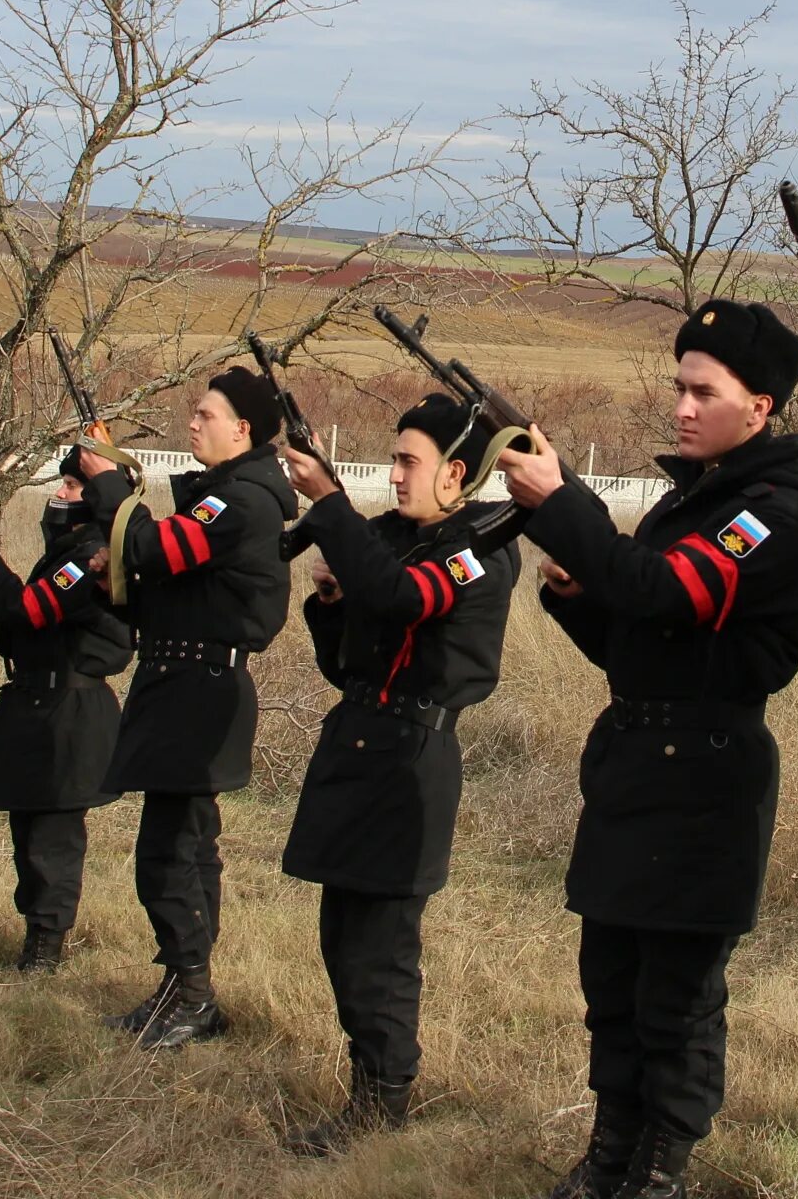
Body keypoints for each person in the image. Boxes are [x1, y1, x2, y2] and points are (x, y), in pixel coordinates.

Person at [497, 300, 798, 1199]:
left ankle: (660, 1168)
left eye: (701, 391)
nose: (680, 406)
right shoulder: (699, 496)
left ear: (759, 408)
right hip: (640, 764)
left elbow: (668, 592)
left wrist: (567, 509)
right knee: (612, 981)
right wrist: (575, 592)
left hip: (707, 781)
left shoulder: (768, 513)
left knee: (676, 996)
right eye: (678, 386)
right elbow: (638, 646)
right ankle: (612, 1147)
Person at [272, 393, 519, 1155]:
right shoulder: (397, 542)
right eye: (395, 459)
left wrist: (331, 505)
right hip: (360, 742)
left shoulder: (479, 546)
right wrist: (329, 603)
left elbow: (405, 599)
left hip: (411, 761)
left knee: (381, 945)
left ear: (455, 472)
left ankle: (383, 1104)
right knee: (342, 933)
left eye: (409, 462)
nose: (396, 474)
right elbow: (348, 662)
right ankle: (366, 1089)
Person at [95, 366, 297, 1048]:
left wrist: (107, 489)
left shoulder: (241, 500)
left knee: (170, 851)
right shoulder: (231, 493)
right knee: (185, 847)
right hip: (184, 684)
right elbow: (161, 578)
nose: (192, 422)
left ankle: (192, 992)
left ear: (242, 430)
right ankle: (184, 987)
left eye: (205, 415)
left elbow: (155, 546)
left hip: (198, 693)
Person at [0, 449, 139, 972]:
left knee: (52, 839)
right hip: (38, 703)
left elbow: (30, 610)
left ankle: (46, 948)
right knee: (27, 834)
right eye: (63, 483)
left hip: (70, 714)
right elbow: (41, 633)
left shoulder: (91, 552)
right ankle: (35, 935)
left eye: (74, 486)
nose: (60, 494)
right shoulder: (67, 552)